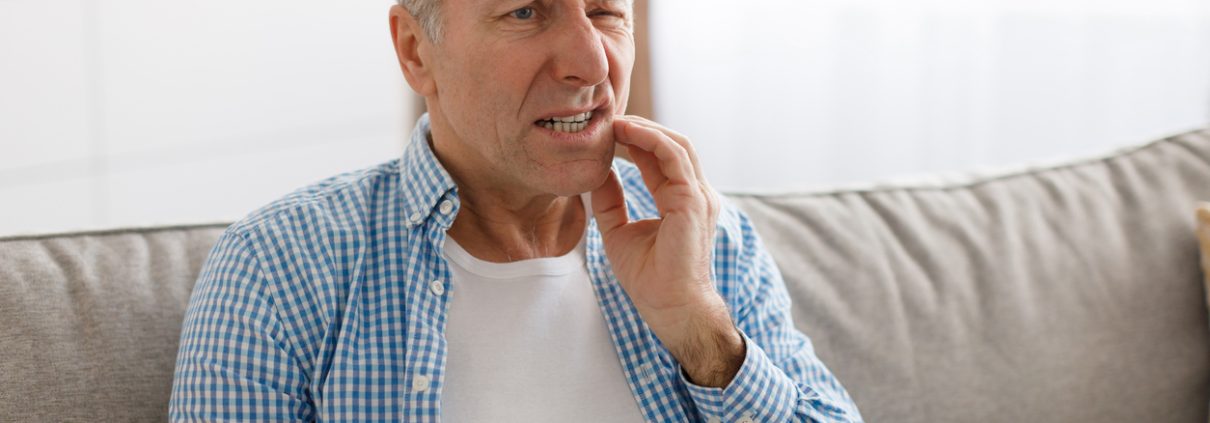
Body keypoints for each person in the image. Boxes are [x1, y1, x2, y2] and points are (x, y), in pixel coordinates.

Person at [169, 0, 863, 421]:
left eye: (605, 11)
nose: (591, 63)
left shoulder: (709, 240)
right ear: (417, 51)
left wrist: (700, 329)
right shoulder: (278, 268)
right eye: (525, 12)